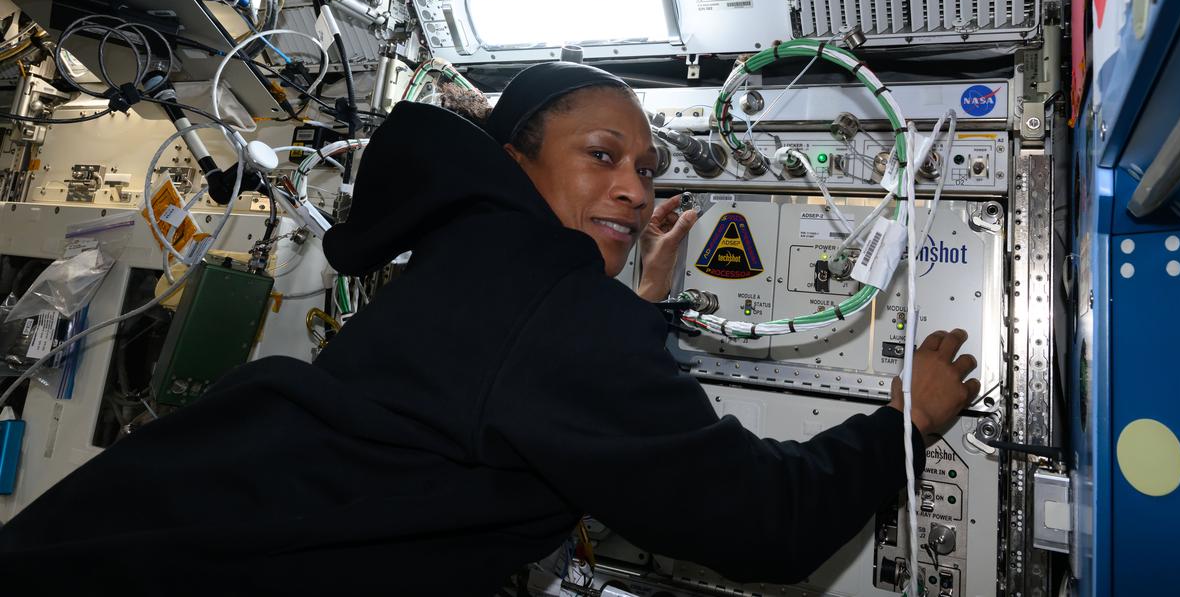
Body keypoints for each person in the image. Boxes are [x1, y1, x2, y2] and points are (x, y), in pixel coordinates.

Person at [0, 62, 978, 595]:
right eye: (603, 155)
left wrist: (635, 310)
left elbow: (515, 391)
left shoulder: (481, 271)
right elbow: (770, 525)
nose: (636, 188)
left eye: (647, 166)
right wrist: (906, 423)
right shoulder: (546, 305)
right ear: (513, 164)